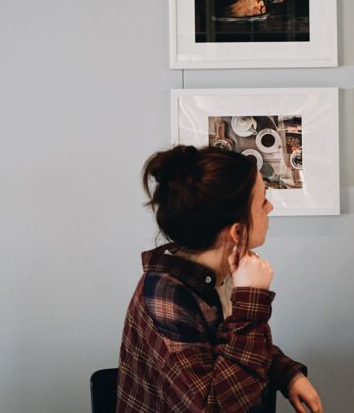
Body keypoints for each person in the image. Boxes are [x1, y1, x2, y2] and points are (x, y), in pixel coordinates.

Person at [117, 145, 323, 413]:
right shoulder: (164, 295)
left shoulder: (218, 274)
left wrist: (287, 374)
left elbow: (231, 347)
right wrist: (251, 303)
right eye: (262, 200)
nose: (270, 207)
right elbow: (212, 406)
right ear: (236, 232)